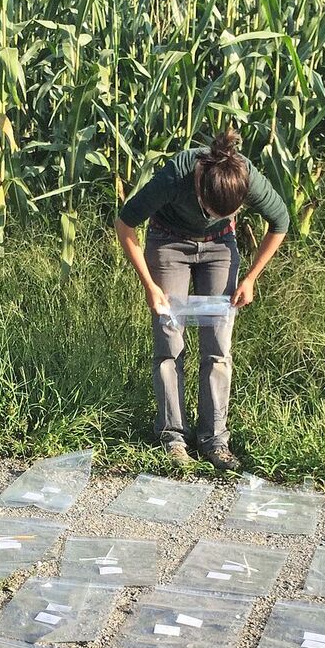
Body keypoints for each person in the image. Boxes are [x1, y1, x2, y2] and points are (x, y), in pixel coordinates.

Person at [115, 129, 289, 471]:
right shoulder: (175, 174)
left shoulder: (247, 176)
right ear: (199, 188)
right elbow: (124, 224)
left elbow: (280, 222)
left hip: (220, 248)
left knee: (218, 346)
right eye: (209, 210)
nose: (211, 215)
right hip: (169, 243)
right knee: (169, 343)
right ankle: (173, 438)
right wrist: (149, 285)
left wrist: (251, 278)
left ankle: (215, 440)